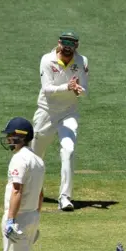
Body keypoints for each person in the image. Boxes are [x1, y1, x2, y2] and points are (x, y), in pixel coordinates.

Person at [30, 30, 88, 211]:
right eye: (65, 43)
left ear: (76, 45)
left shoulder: (81, 61)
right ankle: (31, 191)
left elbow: (84, 88)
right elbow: (47, 89)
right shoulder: (47, 60)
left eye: (71, 44)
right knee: (35, 155)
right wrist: (67, 86)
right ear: (59, 43)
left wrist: (79, 90)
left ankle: (64, 198)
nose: (68, 47)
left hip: (69, 113)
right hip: (46, 112)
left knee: (68, 150)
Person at [0, 117, 45, 251]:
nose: (8, 138)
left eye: (11, 135)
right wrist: (35, 221)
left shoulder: (20, 160)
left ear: (20, 136)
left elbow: (17, 191)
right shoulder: (38, 160)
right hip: (31, 217)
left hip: (18, 219)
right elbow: (40, 193)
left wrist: (10, 220)